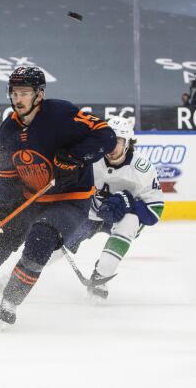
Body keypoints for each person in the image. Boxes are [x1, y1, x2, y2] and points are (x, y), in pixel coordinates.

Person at [0, 66, 117, 326]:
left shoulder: (61, 114)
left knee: (41, 237)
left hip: (70, 200)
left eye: (24, 93)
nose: (18, 99)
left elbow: (106, 136)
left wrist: (75, 156)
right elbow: (8, 180)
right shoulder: (7, 131)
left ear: (39, 94)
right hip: (30, 199)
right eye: (14, 92)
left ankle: (10, 301)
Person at [52, 116, 164, 301]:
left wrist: (129, 204)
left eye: (118, 142)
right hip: (88, 214)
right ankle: (20, 275)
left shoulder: (141, 169)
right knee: (56, 243)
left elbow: (155, 210)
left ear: (128, 143)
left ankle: (101, 277)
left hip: (120, 219)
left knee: (130, 222)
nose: (112, 147)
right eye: (109, 141)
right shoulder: (90, 159)